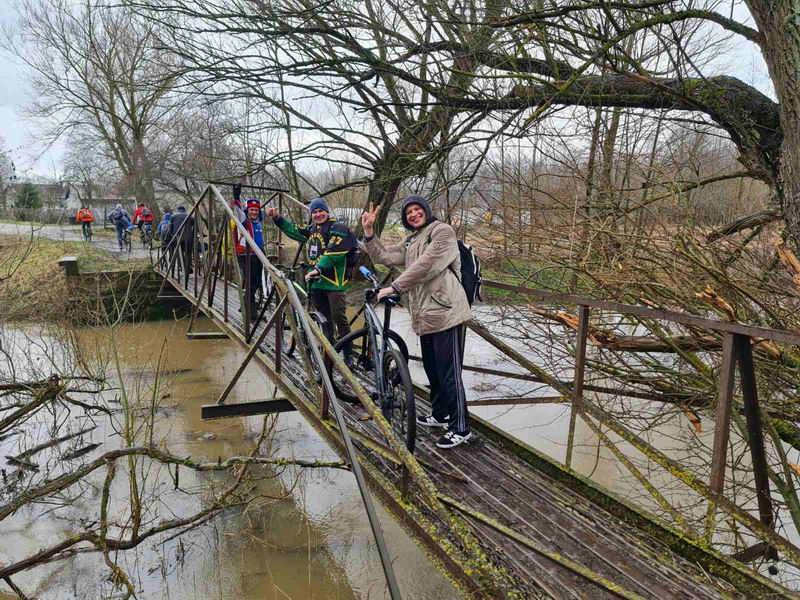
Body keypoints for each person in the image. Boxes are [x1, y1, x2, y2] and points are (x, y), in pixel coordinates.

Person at [361, 195, 472, 449]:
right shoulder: (411, 240)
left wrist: (395, 287)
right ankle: (440, 413)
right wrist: (369, 233)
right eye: (408, 212)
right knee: (433, 369)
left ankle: (461, 427)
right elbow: (385, 256)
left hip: (447, 312)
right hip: (424, 314)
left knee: (449, 373)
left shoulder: (442, 231)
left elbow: (428, 265)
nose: (413, 214)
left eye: (417, 209)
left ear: (426, 210)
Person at [267, 198, 354, 362]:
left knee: (340, 319)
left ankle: (348, 355)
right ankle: (329, 351)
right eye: (314, 212)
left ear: (327, 212)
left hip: (334, 283)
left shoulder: (338, 228)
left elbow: (333, 253)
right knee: (324, 319)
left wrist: (318, 269)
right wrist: (277, 218)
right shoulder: (313, 228)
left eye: (321, 211)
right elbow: (295, 231)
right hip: (317, 283)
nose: (318, 214)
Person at [233, 198, 265, 319]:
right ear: (247, 210)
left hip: (258, 254)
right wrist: (236, 197)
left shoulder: (259, 220)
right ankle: (251, 313)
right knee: (251, 282)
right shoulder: (244, 220)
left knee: (257, 282)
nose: (254, 212)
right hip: (246, 255)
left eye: (256, 210)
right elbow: (237, 211)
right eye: (251, 209)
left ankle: (246, 304)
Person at [167, 205, 194, 274]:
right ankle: (189, 266)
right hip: (188, 238)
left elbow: (170, 228)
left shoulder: (173, 216)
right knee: (188, 253)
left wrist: (172, 236)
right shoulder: (190, 216)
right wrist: (193, 235)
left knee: (179, 252)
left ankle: (182, 266)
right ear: (184, 210)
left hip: (178, 237)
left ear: (178, 210)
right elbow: (195, 226)